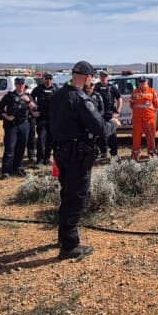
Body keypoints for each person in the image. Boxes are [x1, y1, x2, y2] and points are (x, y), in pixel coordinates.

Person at [49, 61, 118, 260]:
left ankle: (64, 237)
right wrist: (113, 123)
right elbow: (100, 129)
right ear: (88, 78)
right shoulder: (80, 99)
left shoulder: (58, 96)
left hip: (61, 151)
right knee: (76, 198)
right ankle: (70, 245)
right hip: (77, 155)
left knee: (66, 194)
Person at [0, 77, 37, 178]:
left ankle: (17, 167)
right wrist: (7, 116)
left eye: (22, 84)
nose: (20, 86)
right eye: (18, 84)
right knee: (10, 147)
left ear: (24, 85)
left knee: (21, 147)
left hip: (24, 124)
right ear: (15, 85)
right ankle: (5, 170)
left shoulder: (27, 96)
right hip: (12, 125)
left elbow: (35, 108)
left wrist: (28, 101)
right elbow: (0, 108)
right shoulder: (9, 96)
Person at [129, 77, 158, 160]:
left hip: (149, 119)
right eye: (141, 82)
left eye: (144, 82)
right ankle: (135, 154)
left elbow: (156, 105)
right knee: (136, 137)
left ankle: (151, 153)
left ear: (147, 82)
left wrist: (149, 113)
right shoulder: (135, 92)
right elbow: (131, 105)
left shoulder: (152, 91)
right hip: (138, 120)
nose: (142, 84)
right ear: (139, 83)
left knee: (151, 137)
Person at [31, 73, 57, 165]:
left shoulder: (56, 89)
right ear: (43, 79)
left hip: (52, 118)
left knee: (50, 139)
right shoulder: (38, 89)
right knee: (41, 138)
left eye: (50, 78)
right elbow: (30, 99)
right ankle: (40, 160)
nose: (48, 80)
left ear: (52, 80)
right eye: (46, 78)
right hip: (42, 117)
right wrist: (33, 110)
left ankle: (47, 158)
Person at [96, 71, 122, 159]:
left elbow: (119, 99)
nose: (103, 78)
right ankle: (103, 152)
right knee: (101, 133)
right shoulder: (96, 87)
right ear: (99, 77)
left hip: (109, 113)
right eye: (102, 76)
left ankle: (114, 154)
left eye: (105, 76)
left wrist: (117, 112)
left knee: (112, 135)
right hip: (99, 114)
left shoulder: (112, 87)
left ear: (107, 77)